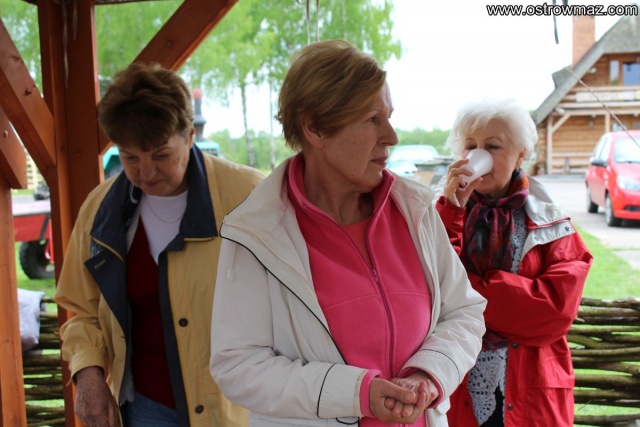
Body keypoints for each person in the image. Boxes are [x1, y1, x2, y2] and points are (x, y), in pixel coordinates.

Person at [209, 39, 486, 427]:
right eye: (372, 119)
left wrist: (429, 374)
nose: (391, 136)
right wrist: (355, 393)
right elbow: (238, 366)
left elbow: (464, 313)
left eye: (389, 117)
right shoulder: (258, 233)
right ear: (314, 128)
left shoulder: (416, 211)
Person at [54, 62, 264, 427]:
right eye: (130, 158)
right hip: (145, 409)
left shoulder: (250, 196)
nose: (147, 173)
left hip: (239, 407)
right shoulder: (100, 211)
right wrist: (87, 373)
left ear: (190, 135)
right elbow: (81, 310)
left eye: (162, 155)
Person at [435, 98, 593, 426]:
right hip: (456, 387)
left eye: (493, 146)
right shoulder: (439, 215)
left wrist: (464, 292)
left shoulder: (552, 224)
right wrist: (451, 210)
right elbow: (429, 286)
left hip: (532, 394)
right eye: (471, 146)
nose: (479, 155)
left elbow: (553, 312)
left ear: (520, 154)